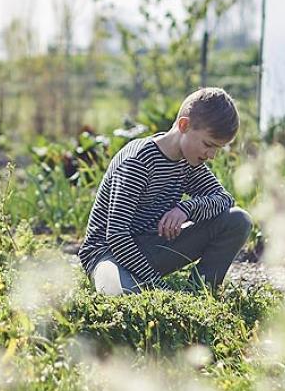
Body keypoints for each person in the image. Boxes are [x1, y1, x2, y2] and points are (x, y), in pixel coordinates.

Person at [78, 88, 252, 295]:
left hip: (152, 248)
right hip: (109, 254)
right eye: (208, 145)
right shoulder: (138, 162)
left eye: (217, 149)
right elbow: (117, 235)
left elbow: (224, 199)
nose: (212, 155)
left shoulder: (189, 163)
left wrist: (186, 209)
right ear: (184, 125)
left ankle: (199, 293)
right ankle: (142, 286)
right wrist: (158, 286)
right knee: (125, 298)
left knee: (238, 220)